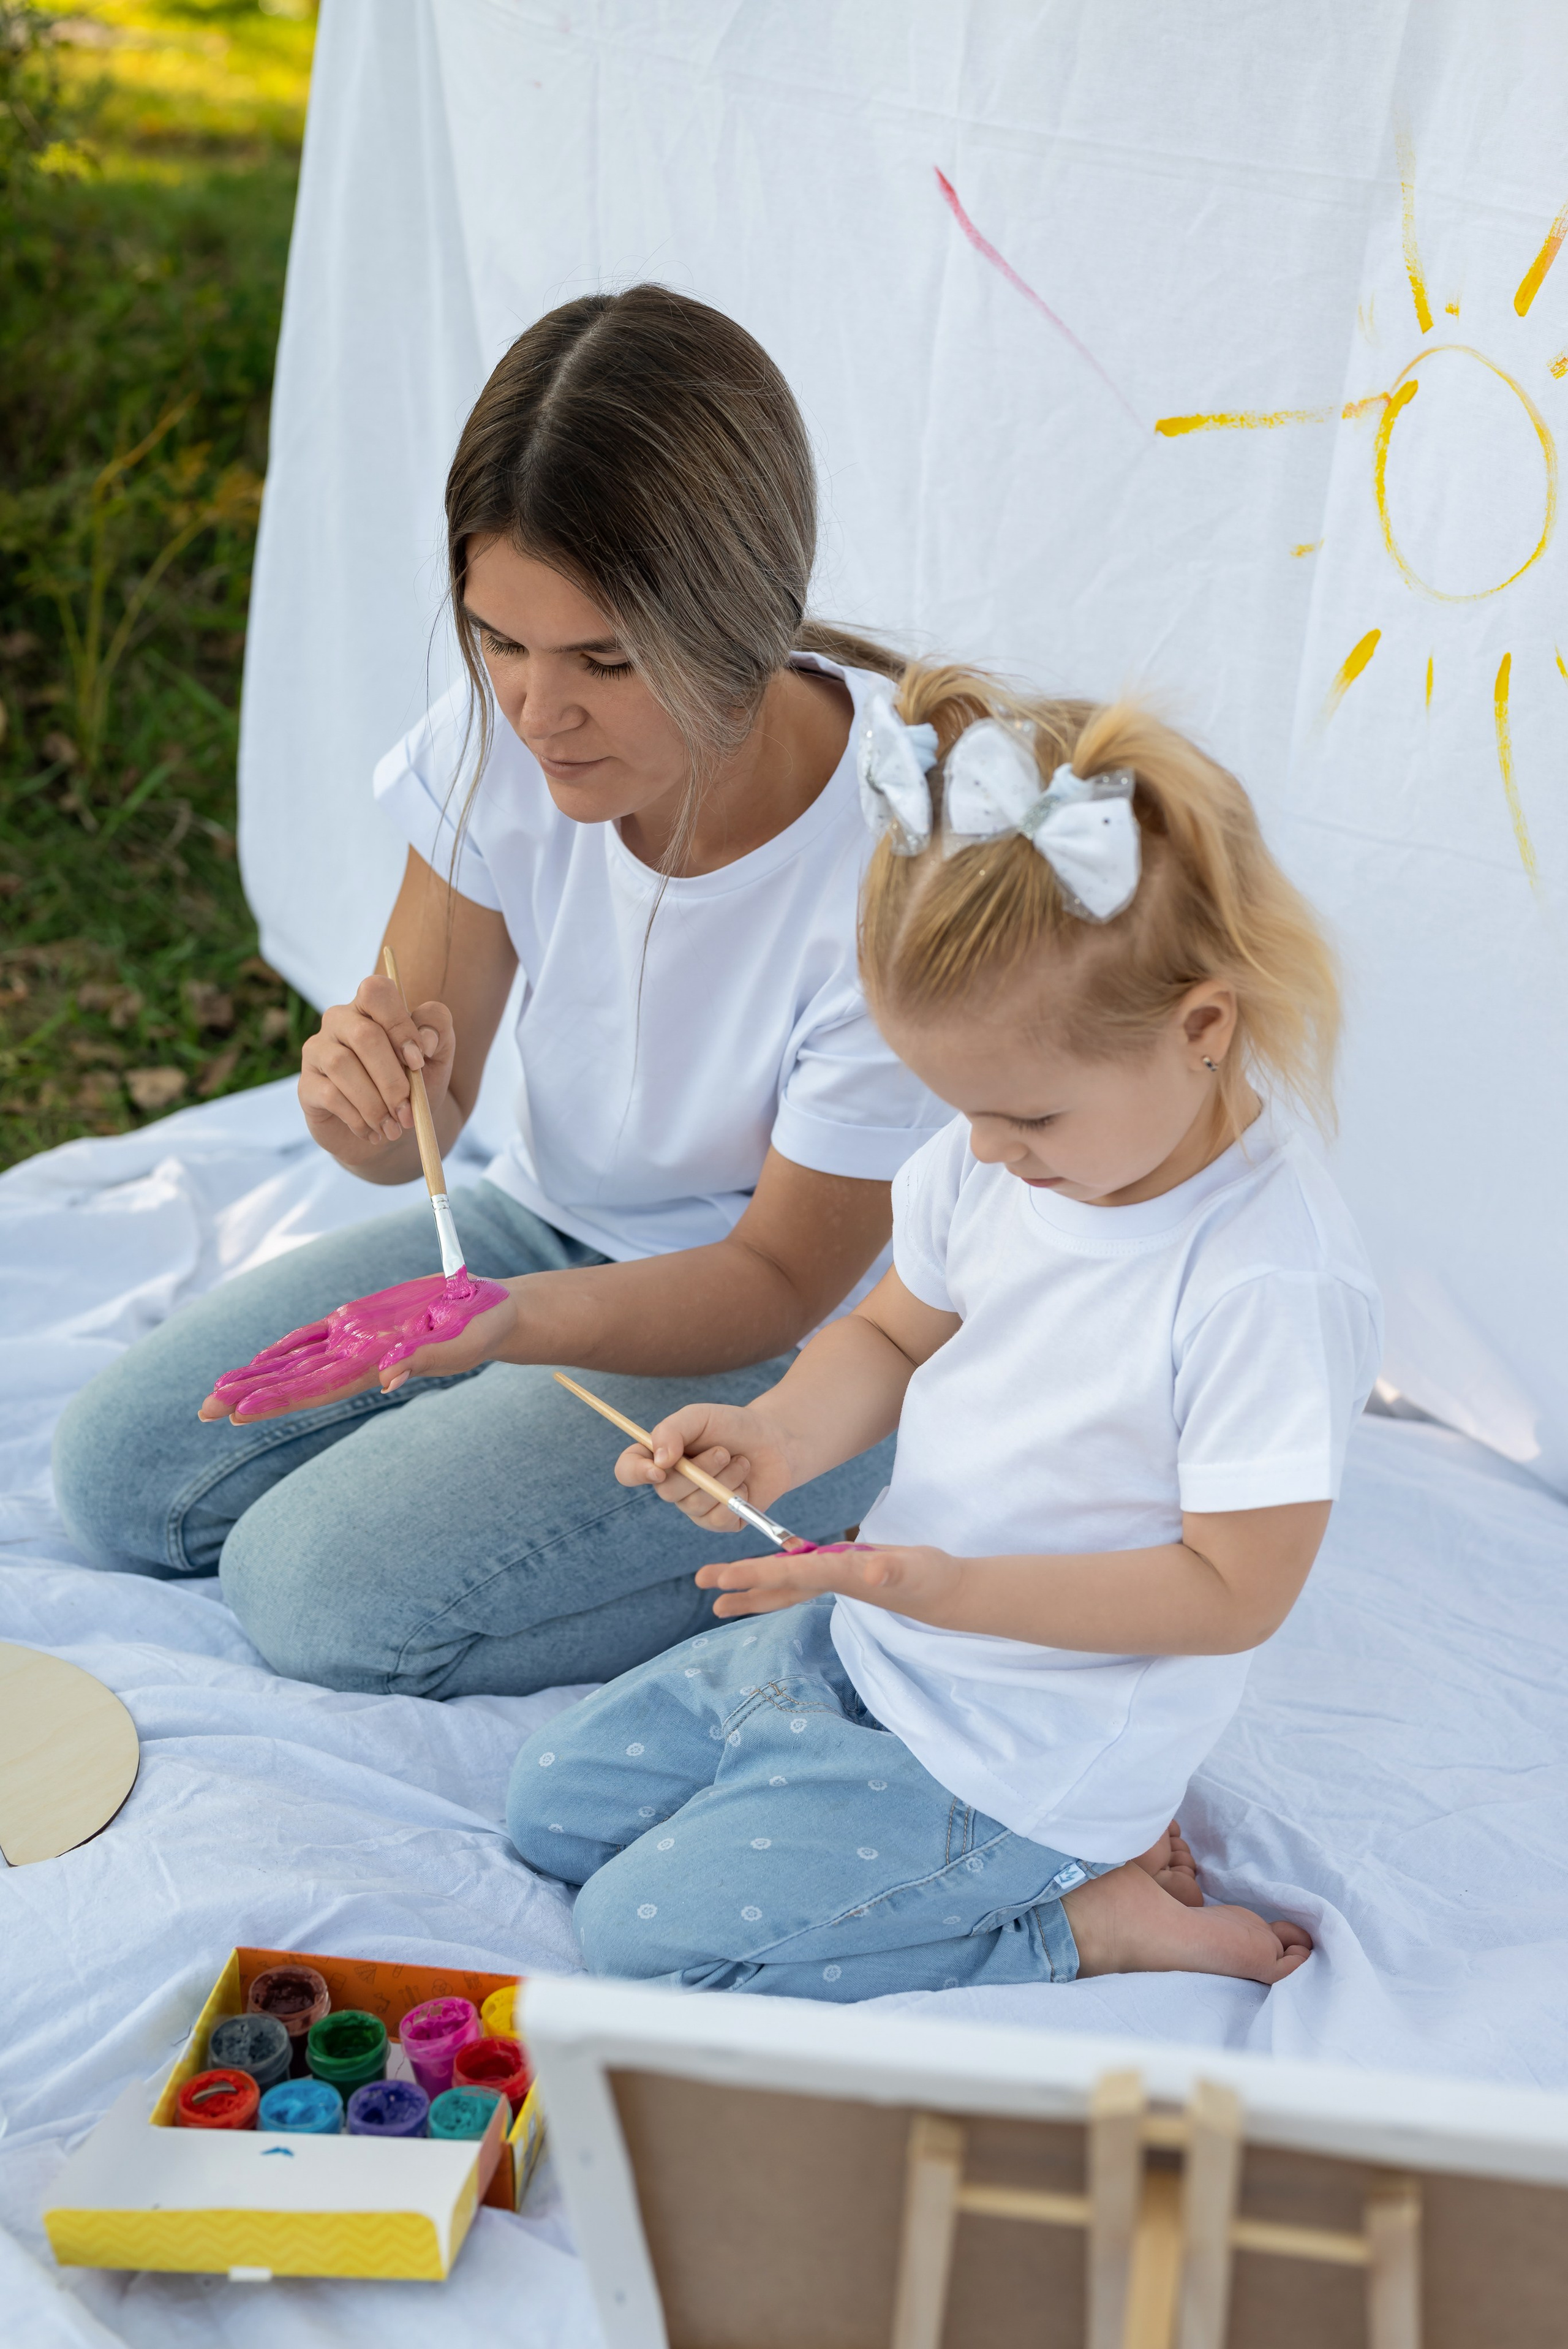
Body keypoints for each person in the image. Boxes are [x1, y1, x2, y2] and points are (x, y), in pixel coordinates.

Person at [50, 285, 948, 1698]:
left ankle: (836, 1506)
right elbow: (417, 1104)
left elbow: (778, 1275)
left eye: (602, 659)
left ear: (741, 621)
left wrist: (507, 1334)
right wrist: (355, 1092)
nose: (537, 713)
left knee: (309, 1594)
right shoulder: (512, 735)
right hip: (537, 1234)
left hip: (805, 1345)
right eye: (498, 640)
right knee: (122, 1477)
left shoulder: (900, 863)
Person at [504, 668, 1383, 1998]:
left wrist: (936, 1584)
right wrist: (773, 1432)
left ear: (1200, 1027)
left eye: (1023, 1117)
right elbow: (894, 1335)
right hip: (874, 1644)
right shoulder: (1005, 1153)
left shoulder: (1259, 1277)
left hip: (1024, 1752)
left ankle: (1077, 1919)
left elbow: (1232, 1590)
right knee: (548, 1811)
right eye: (955, 1104)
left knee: (639, 1942)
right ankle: (898, 1809)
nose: (979, 1150)